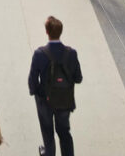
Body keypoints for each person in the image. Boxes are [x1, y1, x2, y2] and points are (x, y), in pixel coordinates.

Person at [28, 15, 83, 156]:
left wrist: (35, 92)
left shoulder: (39, 54)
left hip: (45, 100)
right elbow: (78, 78)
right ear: (60, 32)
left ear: (47, 32)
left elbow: (33, 79)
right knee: (64, 131)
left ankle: (49, 153)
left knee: (47, 131)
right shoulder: (71, 53)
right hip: (64, 100)